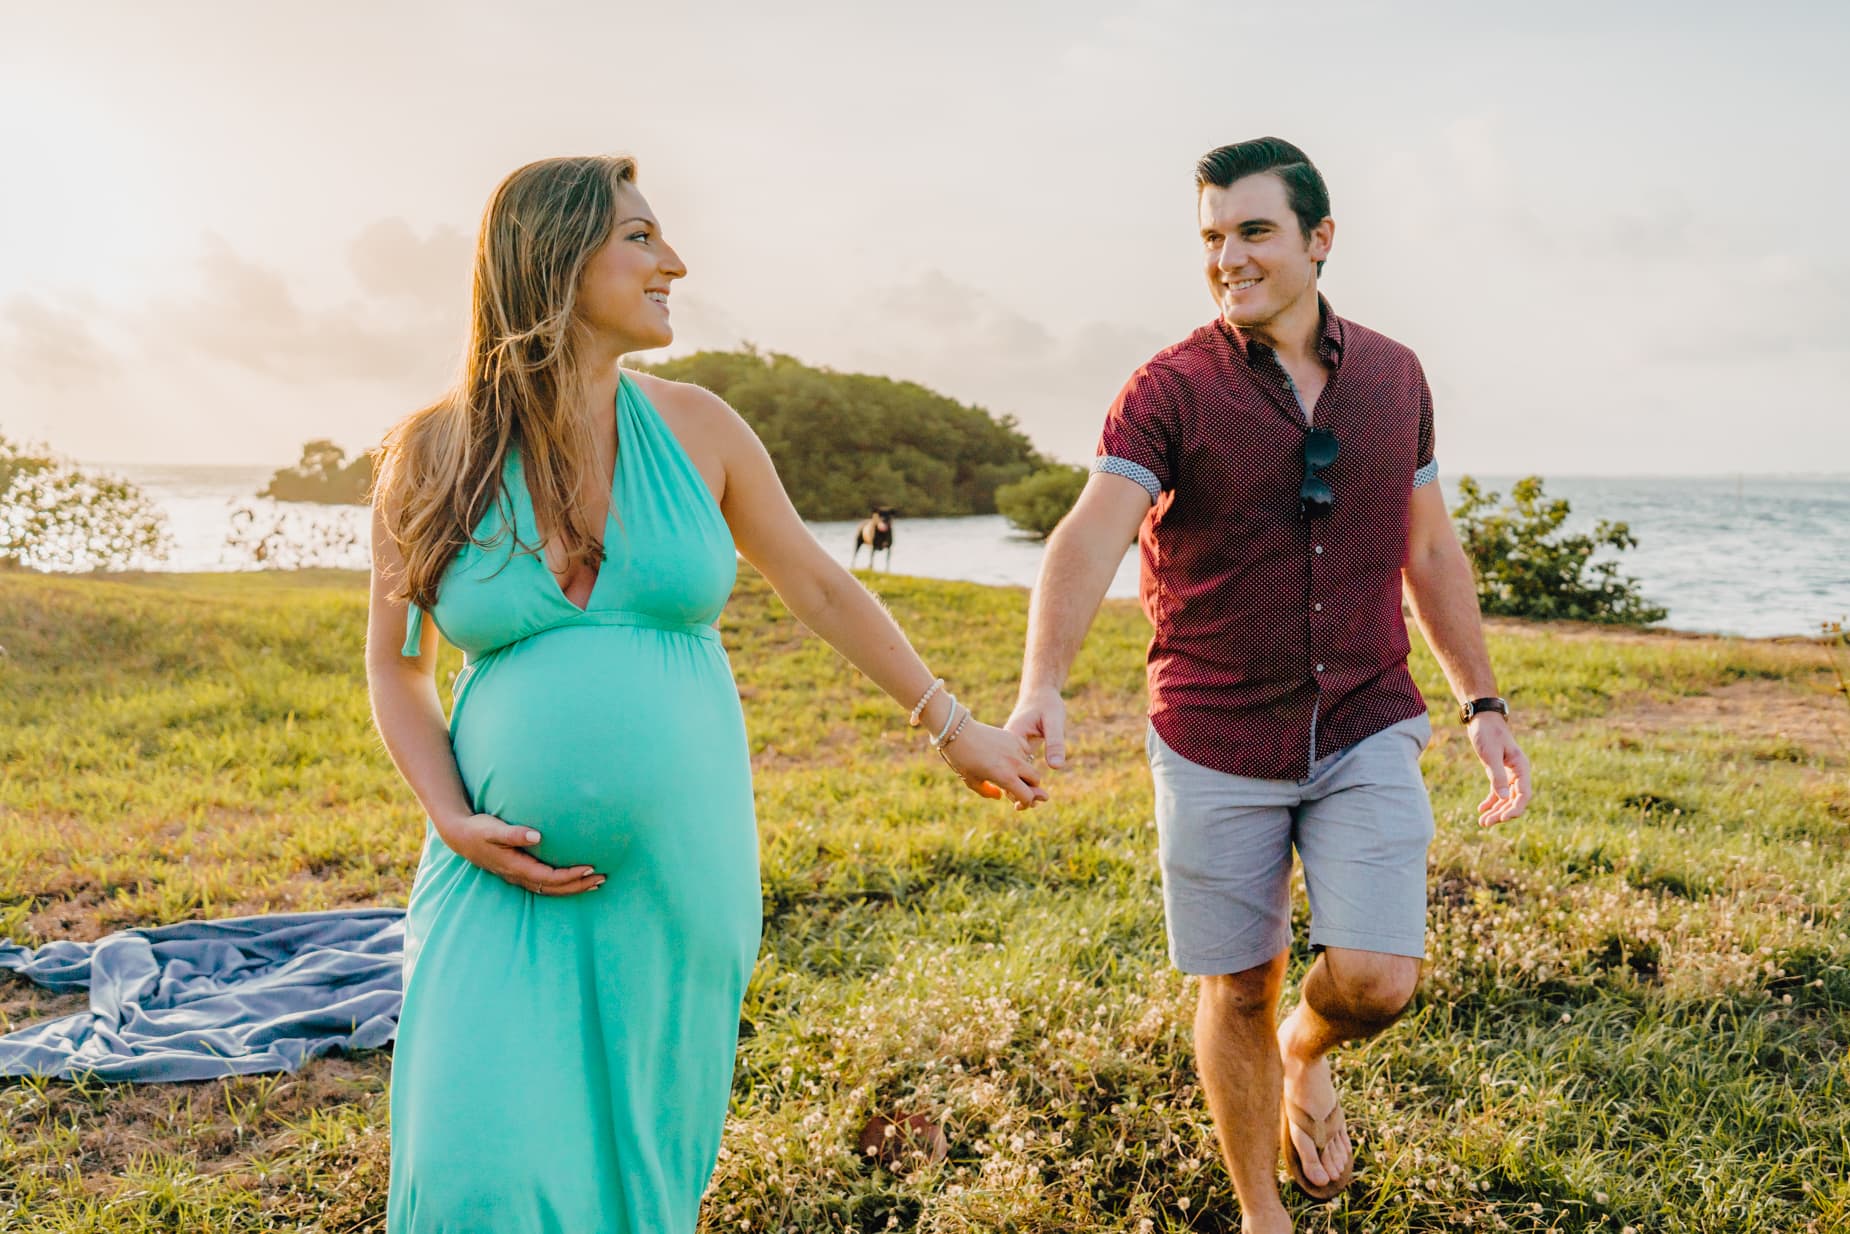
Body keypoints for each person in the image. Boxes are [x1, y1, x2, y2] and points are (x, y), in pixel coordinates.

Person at [365, 155, 1046, 1234]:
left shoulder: (702, 430)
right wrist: (448, 816)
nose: (671, 260)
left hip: (677, 882)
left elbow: (821, 585)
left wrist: (955, 726)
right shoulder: (432, 454)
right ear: (554, 255)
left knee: (638, 1179)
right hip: (489, 877)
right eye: (639, 237)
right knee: (468, 1170)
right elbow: (398, 665)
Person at [1003, 137, 1532, 1230]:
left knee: (1378, 978)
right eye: (1210, 237)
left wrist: (1482, 702)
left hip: (1362, 718)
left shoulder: (1394, 377)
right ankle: (1259, 1212)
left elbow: (1428, 551)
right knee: (1235, 983)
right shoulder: (1166, 388)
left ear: (1317, 240)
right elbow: (1091, 528)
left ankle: (1307, 1053)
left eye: (1252, 231)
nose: (1226, 257)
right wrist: (1041, 681)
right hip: (1212, 734)